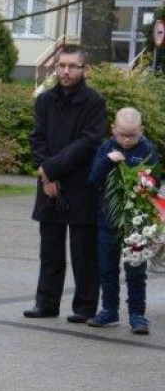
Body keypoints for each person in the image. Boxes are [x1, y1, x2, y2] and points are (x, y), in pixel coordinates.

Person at [25, 44, 107, 323]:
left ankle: (85, 307)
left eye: (72, 66)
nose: (66, 71)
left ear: (85, 70)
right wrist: (47, 175)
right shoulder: (45, 100)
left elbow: (89, 142)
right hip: (49, 184)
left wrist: (50, 169)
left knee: (84, 251)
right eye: (62, 65)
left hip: (82, 184)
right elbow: (37, 139)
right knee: (50, 250)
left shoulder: (95, 102)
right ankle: (45, 303)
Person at [87, 107, 159, 334]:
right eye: (122, 135)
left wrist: (143, 180)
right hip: (107, 220)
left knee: (136, 269)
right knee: (107, 268)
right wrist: (108, 161)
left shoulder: (148, 149)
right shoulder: (106, 147)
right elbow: (93, 180)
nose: (127, 140)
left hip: (136, 223)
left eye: (133, 135)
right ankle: (109, 310)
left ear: (142, 130)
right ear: (113, 130)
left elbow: (155, 183)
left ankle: (137, 315)